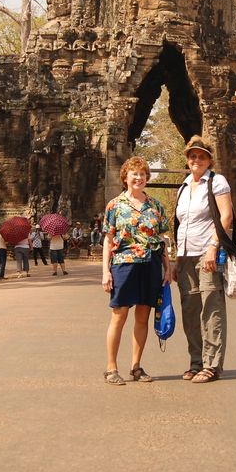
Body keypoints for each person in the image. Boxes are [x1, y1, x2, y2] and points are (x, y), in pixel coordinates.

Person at [101, 156, 171, 385]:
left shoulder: (155, 206)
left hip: (151, 264)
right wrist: (105, 272)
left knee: (143, 315)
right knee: (119, 315)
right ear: (125, 177)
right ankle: (111, 368)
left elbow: (162, 240)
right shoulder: (115, 205)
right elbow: (108, 240)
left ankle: (136, 366)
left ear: (147, 178)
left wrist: (167, 268)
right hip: (123, 263)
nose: (139, 178)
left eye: (143, 174)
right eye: (134, 174)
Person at [173, 135, 233, 384]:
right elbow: (181, 224)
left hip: (207, 254)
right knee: (190, 310)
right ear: (187, 160)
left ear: (209, 160)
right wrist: (176, 259)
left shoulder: (217, 182)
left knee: (211, 308)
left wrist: (213, 247)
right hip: (185, 256)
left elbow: (226, 216)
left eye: (201, 156)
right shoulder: (184, 186)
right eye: (192, 156)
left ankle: (212, 365)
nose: (196, 160)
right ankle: (195, 362)